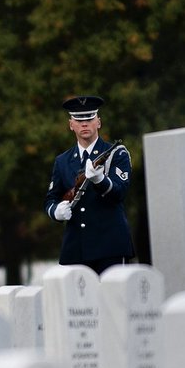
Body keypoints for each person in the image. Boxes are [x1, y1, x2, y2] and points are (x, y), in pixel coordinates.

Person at [43, 95, 134, 275]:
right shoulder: (62, 161)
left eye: (90, 118)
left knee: (112, 302)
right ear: (71, 125)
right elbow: (51, 199)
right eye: (79, 120)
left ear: (98, 122)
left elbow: (119, 192)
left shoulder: (116, 154)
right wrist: (56, 211)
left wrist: (100, 180)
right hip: (76, 249)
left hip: (110, 247)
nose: (84, 124)